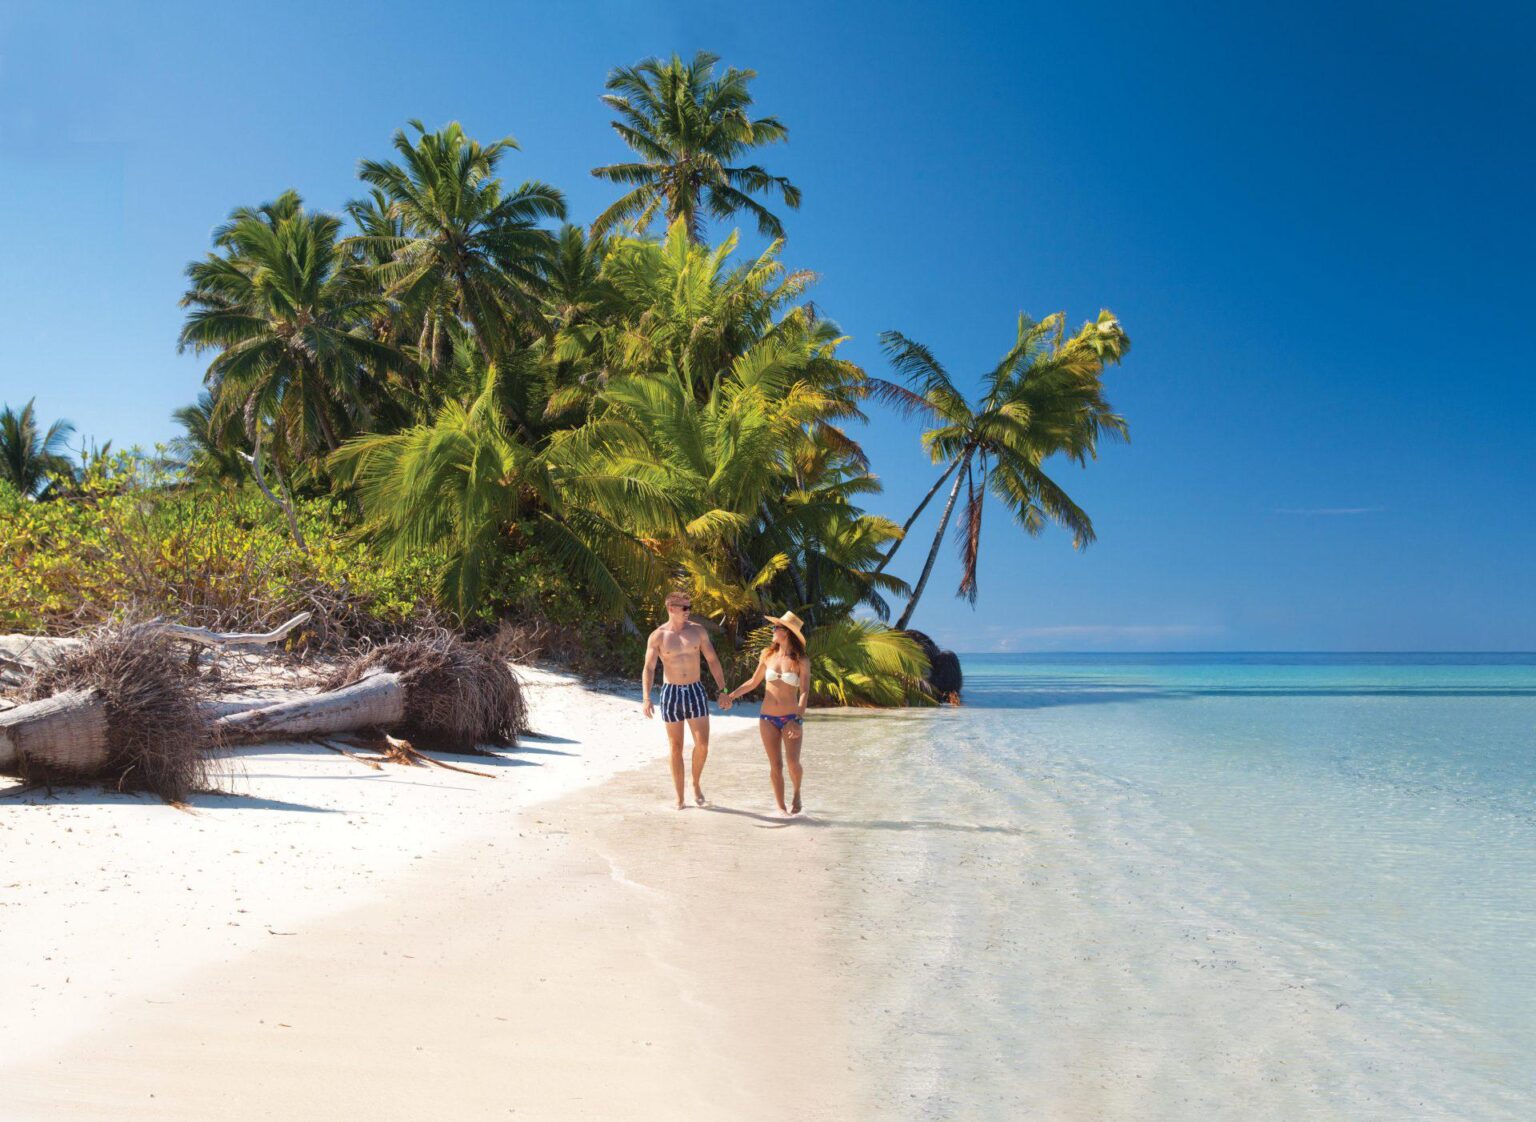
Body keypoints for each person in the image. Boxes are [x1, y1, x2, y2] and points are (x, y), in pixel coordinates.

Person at [641, 590, 731, 809]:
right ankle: (679, 797)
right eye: (684, 608)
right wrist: (646, 697)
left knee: (703, 744)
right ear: (671, 609)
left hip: (695, 691)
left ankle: (696, 783)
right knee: (676, 747)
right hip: (671, 693)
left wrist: (724, 689)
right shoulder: (658, 636)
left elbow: (713, 660)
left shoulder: (698, 632)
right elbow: (649, 668)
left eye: (690, 607)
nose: (688, 612)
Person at [724, 611, 810, 816]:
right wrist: (731, 696)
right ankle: (781, 809)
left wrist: (798, 719)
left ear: (787, 633)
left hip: (791, 718)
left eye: (776, 627)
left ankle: (797, 793)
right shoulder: (767, 655)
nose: (773, 630)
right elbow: (753, 682)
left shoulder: (801, 660)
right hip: (767, 718)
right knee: (776, 765)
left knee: (792, 763)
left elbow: (805, 691)